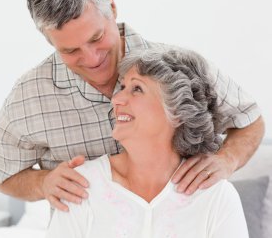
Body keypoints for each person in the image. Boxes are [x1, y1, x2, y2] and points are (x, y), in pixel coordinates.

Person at [0, 0, 264, 212]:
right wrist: (43, 183)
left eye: (96, 38)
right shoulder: (29, 97)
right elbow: (4, 175)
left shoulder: (179, 70)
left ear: (111, 4)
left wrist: (227, 160)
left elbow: (250, 120)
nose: (92, 58)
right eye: (70, 51)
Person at [46, 46, 249, 238]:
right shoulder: (81, 185)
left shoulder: (215, 195)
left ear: (177, 112)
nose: (116, 100)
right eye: (123, 86)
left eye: (136, 89)